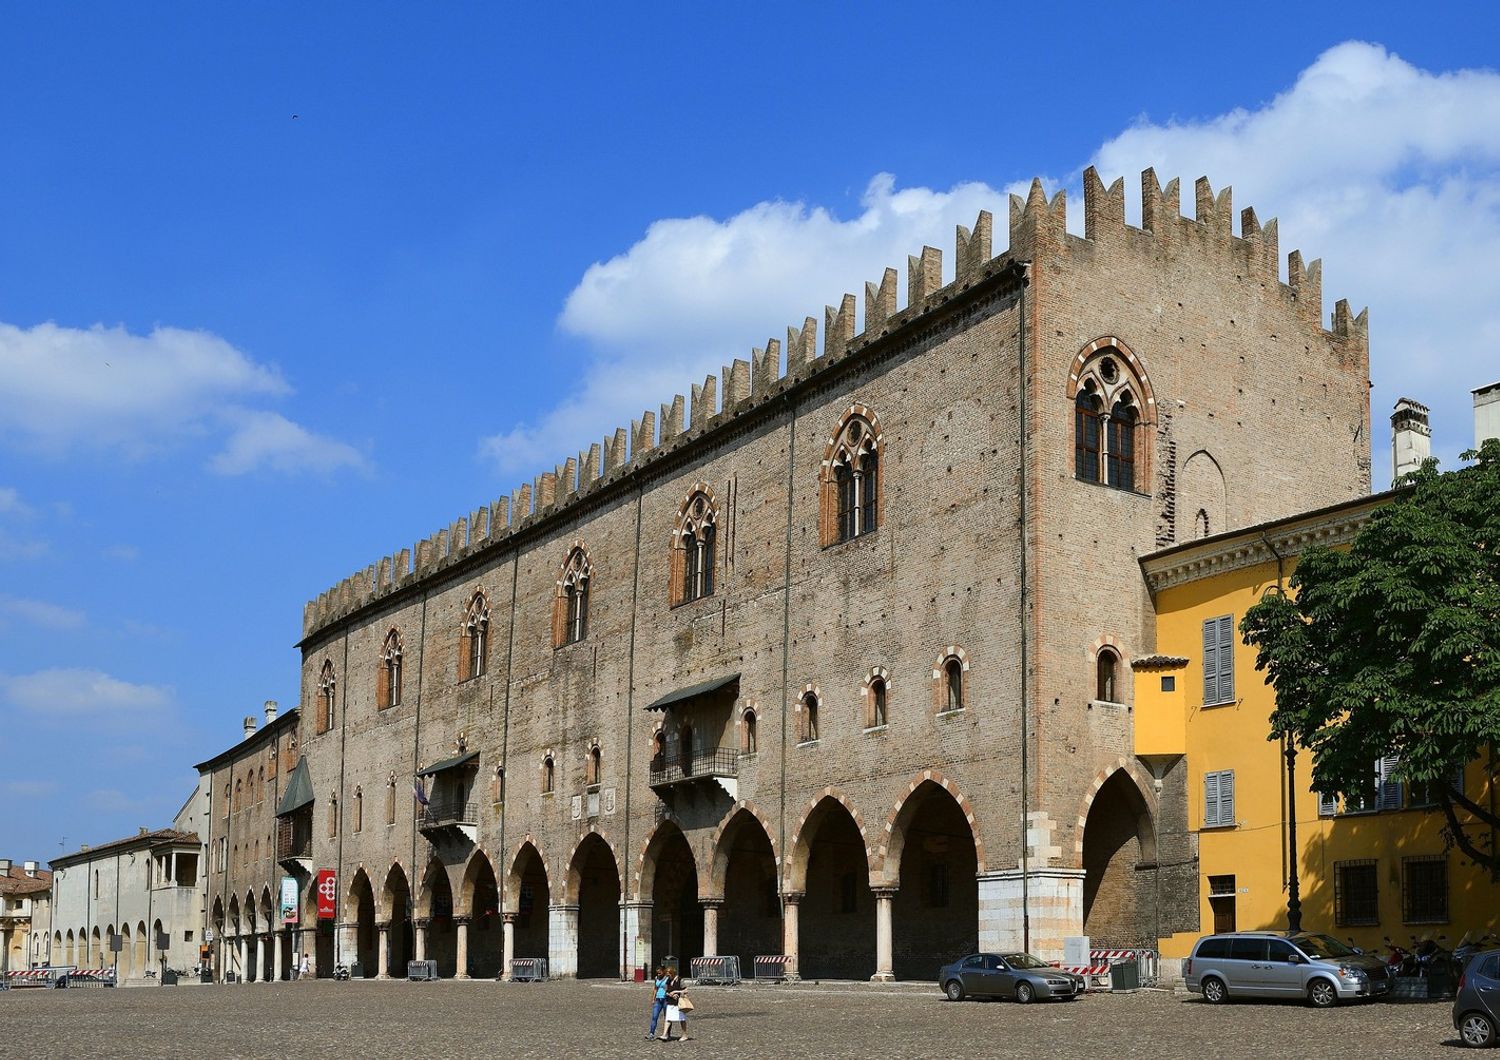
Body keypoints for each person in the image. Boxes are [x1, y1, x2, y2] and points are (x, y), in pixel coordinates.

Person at [661, 967, 690, 1042]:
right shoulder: (668, 980)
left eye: (669, 975)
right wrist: (670, 994)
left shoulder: (680, 980)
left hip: (679, 1003)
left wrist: (675, 992)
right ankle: (664, 1034)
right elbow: (666, 990)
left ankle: (684, 1035)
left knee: (682, 1019)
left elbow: (686, 990)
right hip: (670, 1002)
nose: (668, 976)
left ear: (672, 973)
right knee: (668, 1018)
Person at [646, 966, 669, 1040]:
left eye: (660, 972)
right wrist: (653, 999)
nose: (658, 974)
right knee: (654, 1017)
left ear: (663, 971)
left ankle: (667, 1034)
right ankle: (651, 1034)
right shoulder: (656, 978)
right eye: (657, 973)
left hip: (666, 999)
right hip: (658, 1000)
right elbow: (655, 989)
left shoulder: (667, 978)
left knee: (667, 1018)